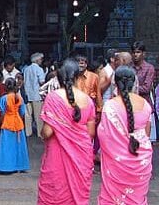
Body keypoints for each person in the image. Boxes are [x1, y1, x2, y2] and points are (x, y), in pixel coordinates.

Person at [37, 59, 96, 205]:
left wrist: (43, 133)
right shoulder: (88, 101)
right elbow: (90, 133)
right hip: (82, 156)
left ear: (59, 76)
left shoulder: (53, 98)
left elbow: (47, 132)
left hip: (57, 155)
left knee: (54, 194)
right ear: (78, 76)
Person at [98, 66, 153, 205]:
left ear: (115, 84)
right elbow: (146, 135)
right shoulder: (145, 105)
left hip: (117, 162)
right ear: (135, 82)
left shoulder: (110, 106)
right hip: (141, 161)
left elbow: (103, 136)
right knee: (137, 199)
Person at [0, 78, 29, 173]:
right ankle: (20, 166)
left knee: (7, 146)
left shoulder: (3, 99)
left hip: (7, 122)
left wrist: (0, 123)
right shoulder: (19, 98)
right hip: (18, 123)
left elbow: (2, 113)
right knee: (19, 145)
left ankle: (7, 167)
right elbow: (22, 112)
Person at [22, 53, 45, 138]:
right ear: (37, 60)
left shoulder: (26, 69)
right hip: (37, 95)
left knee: (28, 115)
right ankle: (39, 133)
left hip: (28, 94)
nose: (41, 61)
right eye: (41, 59)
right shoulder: (39, 69)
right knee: (38, 115)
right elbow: (41, 82)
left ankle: (28, 132)